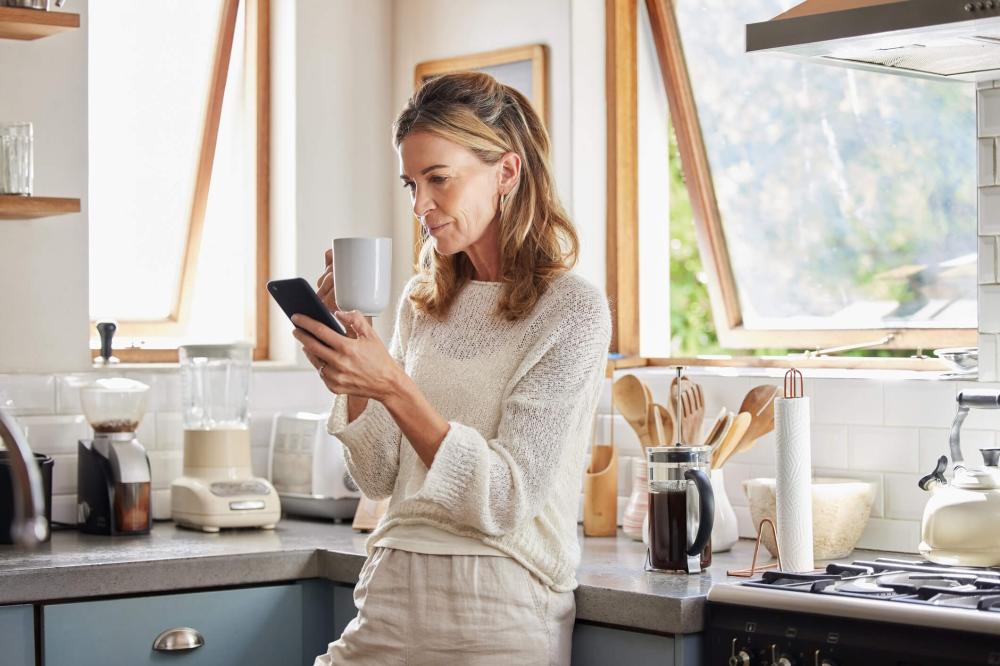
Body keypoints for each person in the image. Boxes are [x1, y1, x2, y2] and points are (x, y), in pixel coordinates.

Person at [295, 71, 611, 665]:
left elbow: (504, 499)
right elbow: (379, 477)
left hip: (497, 607)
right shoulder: (426, 302)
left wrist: (391, 382)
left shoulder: (571, 311)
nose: (420, 205)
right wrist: (352, 375)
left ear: (507, 172)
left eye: (438, 179)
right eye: (411, 184)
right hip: (390, 592)